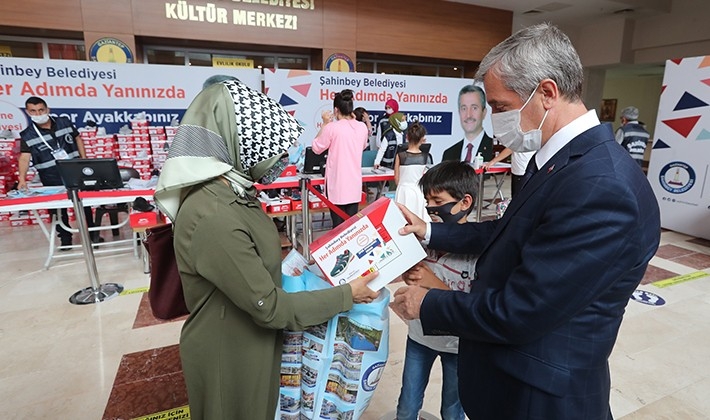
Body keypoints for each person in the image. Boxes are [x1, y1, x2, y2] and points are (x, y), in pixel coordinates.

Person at [390, 23, 661, 420]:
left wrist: (430, 302)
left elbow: (523, 310)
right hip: (509, 380)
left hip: (538, 399)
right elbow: (508, 232)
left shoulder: (602, 186)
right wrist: (429, 229)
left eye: (499, 107)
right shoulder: (561, 163)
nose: (493, 119)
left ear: (547, 93)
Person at [153, 80, 379, 420]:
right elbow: (270, 307)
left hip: (251, 340)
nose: (283, 159)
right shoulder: (212, 213)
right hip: (227, 355)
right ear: (240, 142)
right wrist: (348, 294)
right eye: (275, 148)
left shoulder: (235, 191)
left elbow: (246, 261)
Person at [396, 160, 477, 420]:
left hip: (458, 344)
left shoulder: (478, 251)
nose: (430, 208)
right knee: (407, 405)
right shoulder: (425, 239)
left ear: (465, 202)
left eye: (437, 200)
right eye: (427, 201)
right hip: (420, 337)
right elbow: (410, 274)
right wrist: (410, 276)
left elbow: (474, 305)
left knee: (453, 409)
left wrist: (431, 281)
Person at [18, 96, 101, 248]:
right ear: (28, 112)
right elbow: (24, 158)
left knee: (84, 205)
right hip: (50, 176)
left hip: (75, 171)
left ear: (47, 109)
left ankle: (92, 235)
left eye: (41, 110)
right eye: (33, 111)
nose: (38, 113)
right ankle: (65, 239)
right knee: (57, 209)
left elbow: (78, 139)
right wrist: (22, 179)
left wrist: (84, 159)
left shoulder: (64, 122)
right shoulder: (27, 134)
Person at [312, 89, 369, 227]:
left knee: (338, 228)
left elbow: (316, 147)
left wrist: (325, 124)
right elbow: (361, 146)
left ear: (336, 110)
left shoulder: (332, 128)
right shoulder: (362, 127)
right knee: (351, 227)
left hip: (337, 185)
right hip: (354, 185)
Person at [442, 85, 494, 163]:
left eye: (474, 108)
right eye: (464, 108)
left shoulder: (494, 150)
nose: (468, 115)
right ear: (459, 112)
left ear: (484, 112)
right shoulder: (448, 154)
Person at [394, 121, 431, 221]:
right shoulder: (424, 157)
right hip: (418, 191)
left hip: (403, 191)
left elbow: (396, 178)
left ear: (407, 137)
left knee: (402, 221)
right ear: (422, 139)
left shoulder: (400, 155)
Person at [374, 98, 407, 169]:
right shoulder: (388, 133)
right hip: (387, 158)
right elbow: (380, 144)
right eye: (386, 108)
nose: (387, 109)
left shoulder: (401, 124)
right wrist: (377, 161)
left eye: (389, 107)